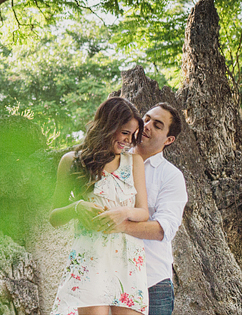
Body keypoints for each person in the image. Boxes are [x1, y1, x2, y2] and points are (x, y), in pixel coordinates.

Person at [48, 96, 149, 315]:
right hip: (90, 259)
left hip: (128, 259)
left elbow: (143, 212)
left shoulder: (134, 163)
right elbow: (54, 217)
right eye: (124, 132)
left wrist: (123, 212)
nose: (129, 141)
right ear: (107, 126)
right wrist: (77, 207)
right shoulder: (72, 161)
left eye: (133, 135)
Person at [98, 102, 187, 315]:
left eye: (157, 125)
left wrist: (119, 224)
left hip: (152, 282)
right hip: (106, 276)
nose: (146, 126)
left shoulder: (171, 176)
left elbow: (162, 230)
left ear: (169, 140)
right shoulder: (109, 160)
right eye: (146, 119)